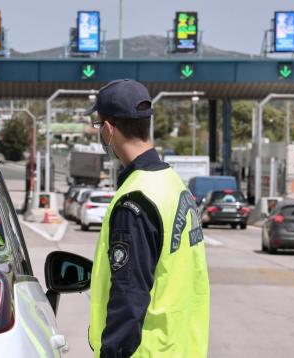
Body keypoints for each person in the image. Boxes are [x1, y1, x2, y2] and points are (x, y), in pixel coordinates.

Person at [85, 79, 210, 357]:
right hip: (182, 348)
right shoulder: (174, 185)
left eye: (98, 127)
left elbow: (129, 297)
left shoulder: (135, 200)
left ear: (108, 130)